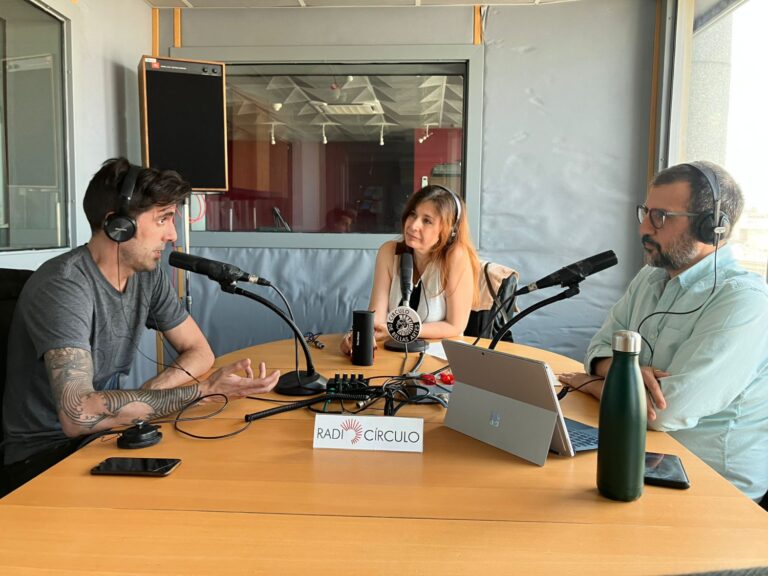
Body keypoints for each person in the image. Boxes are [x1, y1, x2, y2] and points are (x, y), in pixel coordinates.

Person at [2, 158, 280, 491]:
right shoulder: (63, 287)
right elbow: (78, 414)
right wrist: (203, 391)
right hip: (43, 459)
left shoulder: (146, 276)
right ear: (118, 225)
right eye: (162, 218)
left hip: (100, 438)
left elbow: (199, 351)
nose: (172, 235)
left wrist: (155, 393)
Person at [559, 161, 768, 502]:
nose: (644, 227)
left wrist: (595, 383)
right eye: (645, 212)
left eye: (661, 217)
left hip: (713, 489)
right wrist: (626, 374)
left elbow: (665, 412)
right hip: (643, 458)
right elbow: (597, 350)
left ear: (710, 227)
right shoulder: (650, 278)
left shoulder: (743, 301)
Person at [342, 185, 480, 354]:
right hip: (394, 353)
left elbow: (455, 326)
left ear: (449, 229)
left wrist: (399, 331)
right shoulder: (389, 252)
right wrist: (360, 335)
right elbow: (377, 316)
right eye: (413, 214)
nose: (414, 225)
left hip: (441, 357)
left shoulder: (456, 256)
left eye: (427, 221)